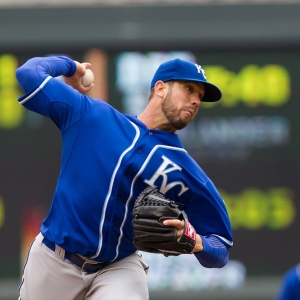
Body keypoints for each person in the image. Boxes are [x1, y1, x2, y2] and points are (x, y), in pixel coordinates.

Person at [15, 56, 233, 300]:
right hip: (54, 258)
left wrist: (195, 241)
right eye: (189, 89)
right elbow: (29, 73)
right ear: (160, 88)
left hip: (118, 267)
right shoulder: (91, 117)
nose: (195, 100)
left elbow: (221, 246)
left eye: (200, 96)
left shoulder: (187, 172)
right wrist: (70, 66)